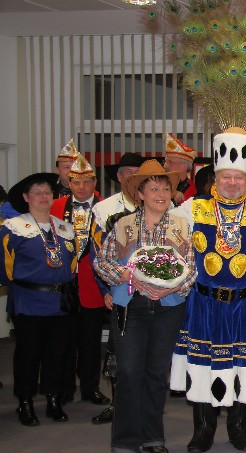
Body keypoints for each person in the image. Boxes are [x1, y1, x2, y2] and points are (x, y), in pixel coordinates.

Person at [170, 127, 246, 453]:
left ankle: (239, 428)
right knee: (203, 365)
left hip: (244, 305)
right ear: (216, 177)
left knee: (241, 366)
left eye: (239, 177)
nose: (233, 182)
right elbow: (163, 228)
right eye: (227, 177)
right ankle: (203, 429)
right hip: (204, 304)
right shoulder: (193, 208)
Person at [94, 159, 197, 453]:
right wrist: (127, 275)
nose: (160, 194)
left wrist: (170, 288)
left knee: (155, 372)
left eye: (165, 189)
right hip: (131, 307)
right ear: (140, 193)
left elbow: (192, 270)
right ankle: (125, 442)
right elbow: (102, 262)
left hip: (167, 307)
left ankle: (153, 436)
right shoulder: (122, 225)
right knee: (128, 372)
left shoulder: (181, 227)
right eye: (153, 189)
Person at [0, 173, 77, 426]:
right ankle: (25, 402)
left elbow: (72, 265)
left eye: (47, 192)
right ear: (26, 197)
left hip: (60, 303)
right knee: (28, 354)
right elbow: (4, 268)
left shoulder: (65, 229)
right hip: (28, 302)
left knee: (57, 353)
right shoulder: (13, 228)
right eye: (37, 192)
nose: (43, 196)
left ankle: (53, 398)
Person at [89, 151, 145, 425]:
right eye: (128, 174)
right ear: (120, 177)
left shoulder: (162, 204)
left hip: (153, 292)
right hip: (120, 290)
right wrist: (105, 290)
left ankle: (144, 406)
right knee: (117, 351)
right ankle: (117, 403)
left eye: (138, 174)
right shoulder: (104, 209)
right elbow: (97, 253)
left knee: (150, 352)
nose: (133, 179)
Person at [51, 153, 110, 407]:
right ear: (69, 182)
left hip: (93, 283)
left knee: (90, 340)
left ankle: (90, 387)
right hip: (63, 283)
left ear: (95, 183)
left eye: (87, 182)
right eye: (77, 182)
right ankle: (63, 388)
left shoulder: (106, 208)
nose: (82, 187)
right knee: (63, 339)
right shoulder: (55, 207)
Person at [164, 133, 197, 204]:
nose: (165, 166)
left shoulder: (193, 191)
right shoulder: (160, 182)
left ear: (184, 166)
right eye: (166, 162)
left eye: (170, 162)